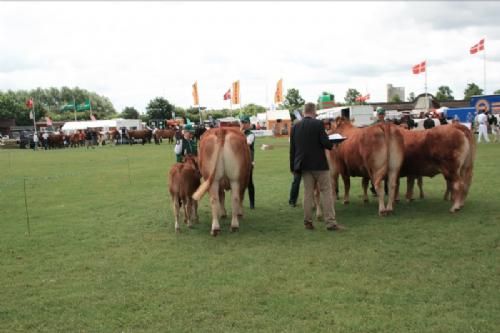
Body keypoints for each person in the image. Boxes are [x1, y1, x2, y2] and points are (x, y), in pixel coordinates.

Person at [290, 102, 344, 231]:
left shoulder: (296, 126)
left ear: (304, 112)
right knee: (326, 191)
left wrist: (293, 167)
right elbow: (325, 142)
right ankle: (330, 222)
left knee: (307, 193)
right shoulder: (318, 124)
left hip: (303, 165)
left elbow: (292, 149)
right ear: (314, 112)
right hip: (319, 165)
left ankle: (308, 221)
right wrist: (334, 145)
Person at [240, 115, 255, 209]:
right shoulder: (238, 133)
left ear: (249, 124)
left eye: (245, 123)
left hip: (248, 162)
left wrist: (239, 133)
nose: (243, 125)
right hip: (238, 162)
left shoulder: (251, 134)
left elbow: (247, 143)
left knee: (249, 183)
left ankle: (252, 203)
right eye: (242, 122)